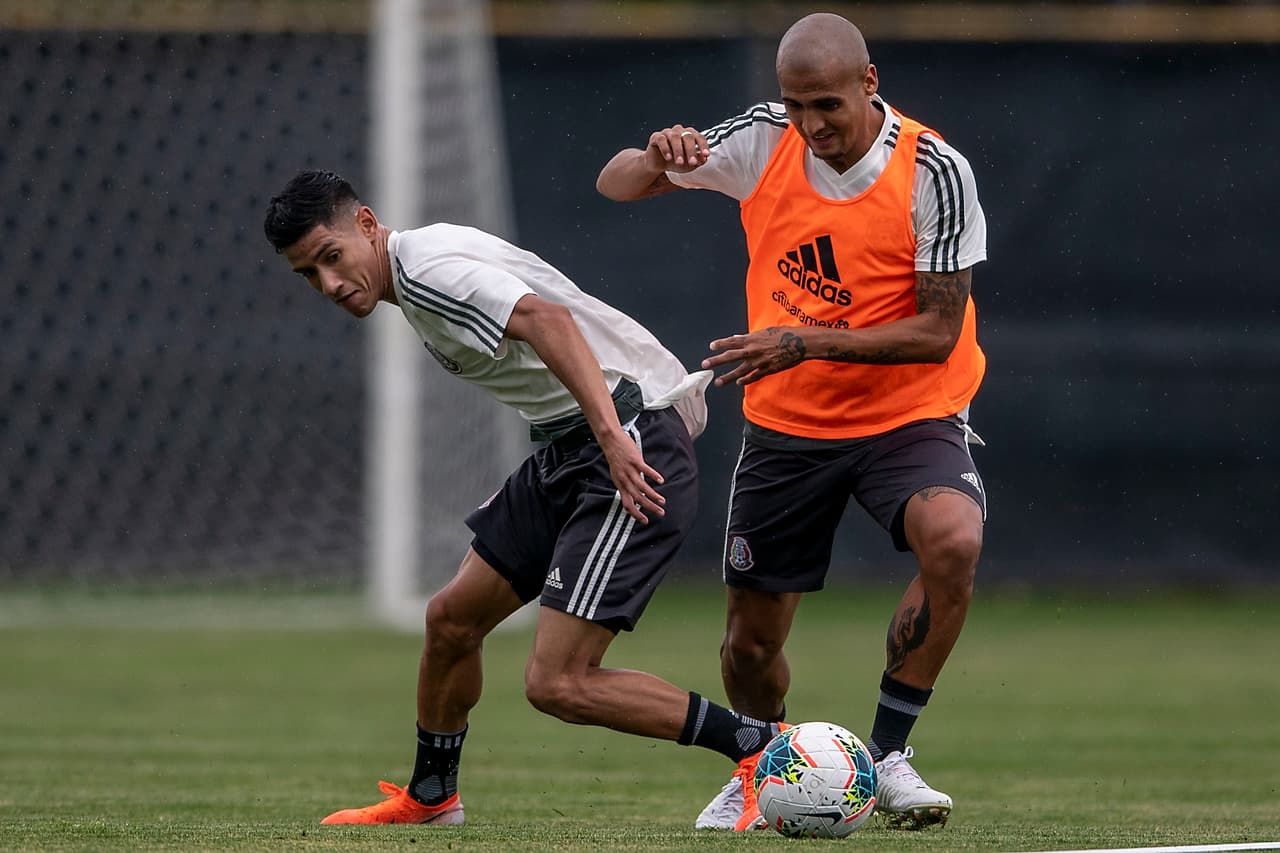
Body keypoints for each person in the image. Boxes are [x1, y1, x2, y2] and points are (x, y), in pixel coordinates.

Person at [262, 169, 786, 826]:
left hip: (626, 437)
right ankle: (431, 797)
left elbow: (549, 319)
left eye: (331, 258)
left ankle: (768, 749)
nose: (330, 285)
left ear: (366, 224)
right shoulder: (419, 264)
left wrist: (613, 439)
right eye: (309, 275)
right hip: (574, 447)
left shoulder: (426, 272)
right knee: (452, 620)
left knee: (558, 682)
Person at [596, 12, 988, 831]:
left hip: (907, 414)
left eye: (828, 107)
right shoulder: (763, 138)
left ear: (869, 83)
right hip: (789, 427)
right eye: (795, 104)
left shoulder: (935, 171)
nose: (811, 126)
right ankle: (763, 768)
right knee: (747, 646)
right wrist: (653, 154)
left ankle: (886, 758)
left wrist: (802, 339)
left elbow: (937, 331)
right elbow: (616, 184)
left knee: (953, 538)